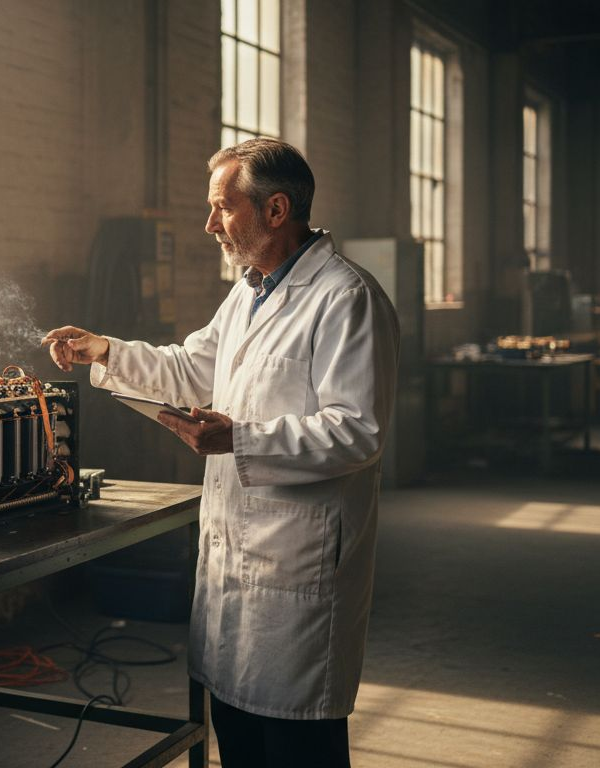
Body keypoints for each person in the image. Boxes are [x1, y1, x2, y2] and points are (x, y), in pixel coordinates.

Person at [43, 138, 398, 767]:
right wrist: (106, 351)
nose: (210, 224)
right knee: (238, 734)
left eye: (222, 208)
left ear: (276, 209)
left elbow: (357, 431)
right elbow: (189, 365)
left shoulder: (345, 298)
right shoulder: (250, 292)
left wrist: (240, 438)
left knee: (296, 745)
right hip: (239, 557)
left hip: (299, 562)